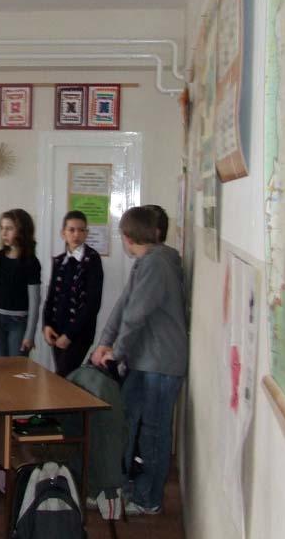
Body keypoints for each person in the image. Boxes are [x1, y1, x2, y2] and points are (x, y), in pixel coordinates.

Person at [90, 206, 187, 516]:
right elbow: (124, 306)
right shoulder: (145, 263)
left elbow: (136, 313)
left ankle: (149, 499)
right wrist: (105, 343)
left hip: (161, 363)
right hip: (145, 361)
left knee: (153, 433)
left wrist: (117, 351)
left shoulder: (157, 263)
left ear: (128, 237)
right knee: (128, 420)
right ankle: (128, 484)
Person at [42, 210, 103, 377]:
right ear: (63, 233)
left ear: (86, 233)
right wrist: (47, 324)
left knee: (63, 375)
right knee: (64, 377)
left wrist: (69, 335)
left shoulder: (92, 259)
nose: (76, 234)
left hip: (79, 333)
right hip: (57, 330)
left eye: (81, 230)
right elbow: (51, 296)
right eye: (72, 230)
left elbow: (92, 303)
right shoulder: (59, 261)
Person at [0, 208, 41, 356]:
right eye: (2, 228)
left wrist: (30, 334)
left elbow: (34, 301)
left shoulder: (31, 262)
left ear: (22, 231)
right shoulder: (0, 257)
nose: (4, 233)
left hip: (19, 322)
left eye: (9, 228)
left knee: (16, 365)